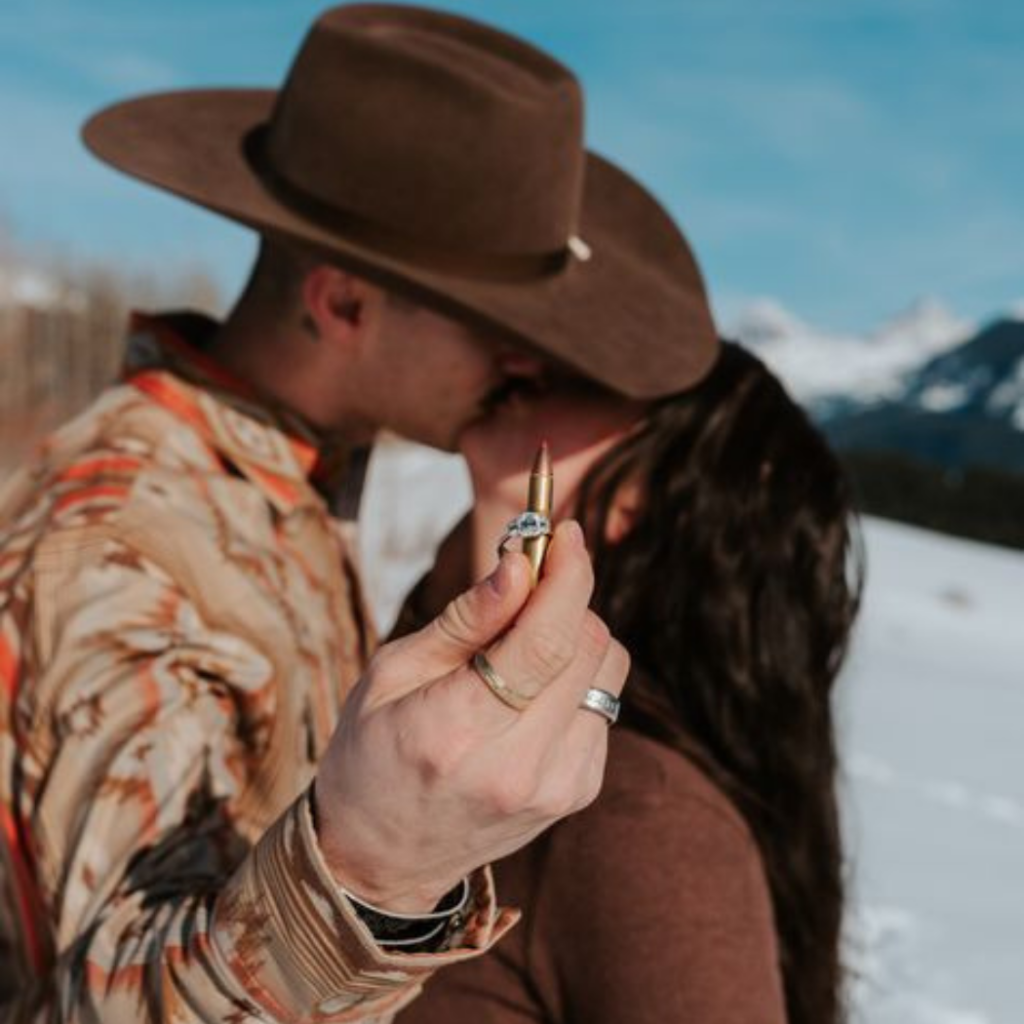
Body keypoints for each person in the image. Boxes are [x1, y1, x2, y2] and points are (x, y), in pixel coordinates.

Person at [0, 5, 720, 1022]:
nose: (528, 365)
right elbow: (98, 1001)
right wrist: (376, 876)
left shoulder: (276, 488)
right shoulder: (123, 545)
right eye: (502, 331)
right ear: (343, 305)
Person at [398, 341, 863, 1024]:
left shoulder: (646, 821)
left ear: (650, 497)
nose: (525, 363)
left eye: (585, 379)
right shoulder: (415, 659)